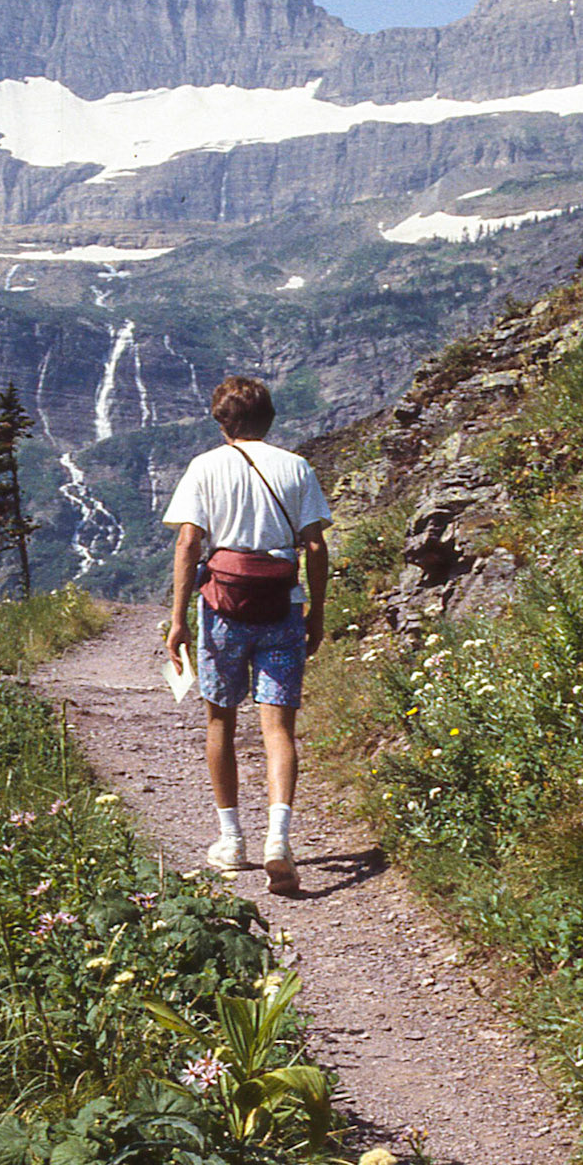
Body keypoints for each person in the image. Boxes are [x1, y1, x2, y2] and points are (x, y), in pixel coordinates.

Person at [163, 375, 330, 895]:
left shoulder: (205, 468)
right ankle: (279, 838)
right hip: (282, 607)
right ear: (269, 418)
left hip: (223, 610)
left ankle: (231, 839)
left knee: (221, 722)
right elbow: (317, 548)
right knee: (278, 728)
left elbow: (190, 543)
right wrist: (317, 611)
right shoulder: (296, 467)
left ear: (222, 422)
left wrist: (178, 619)